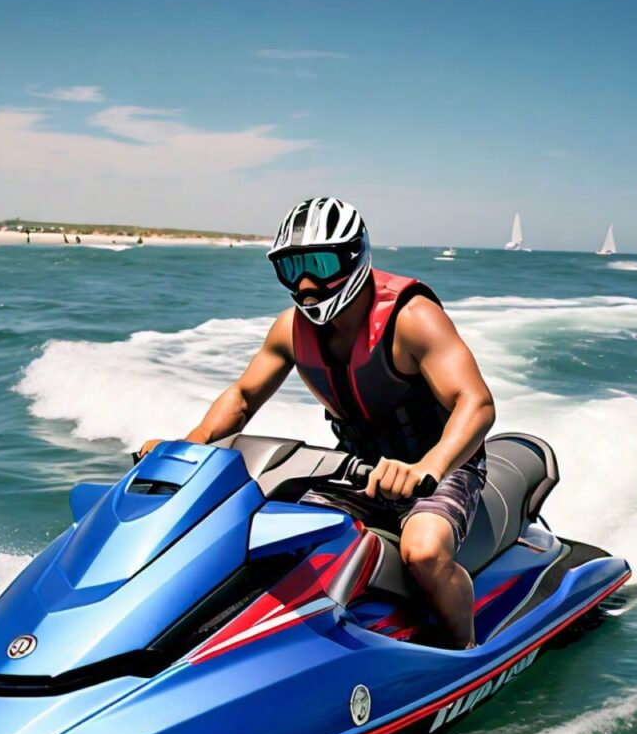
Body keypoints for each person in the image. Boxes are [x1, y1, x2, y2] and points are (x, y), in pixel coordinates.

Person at [139, 197, 495, 649]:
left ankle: (463, 651)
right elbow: (243, 397)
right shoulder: (290, 329)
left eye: (320, 264)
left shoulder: (412, 319)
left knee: (422, 552)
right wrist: (188, 449)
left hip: (442, 468)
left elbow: (476, 402)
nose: (305, 283)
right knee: (274, 535)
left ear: (353, 259)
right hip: (361, 470)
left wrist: (428, 466)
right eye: (291, 268)